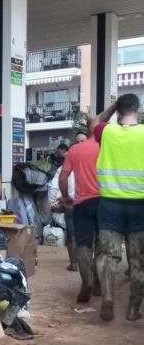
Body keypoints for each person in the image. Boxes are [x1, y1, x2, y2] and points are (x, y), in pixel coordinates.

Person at [93, 93, 144, 321]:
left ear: (119, 110)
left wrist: (113, 106)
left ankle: (108, 297)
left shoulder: (107, 131)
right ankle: (134, 308)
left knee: (107, 255)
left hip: (110, 204)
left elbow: (93, 122)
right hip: (140, 206)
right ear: (139, 110)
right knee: (138, 259)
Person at [60, 120, 101, 300]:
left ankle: (86, 283)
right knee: (102, 245)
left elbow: (63, 177)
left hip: (82, 203)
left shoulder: (75, 149)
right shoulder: (107, 147)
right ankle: (99, 283)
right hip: (106, 202)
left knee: (84, 244)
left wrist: (65, 196)